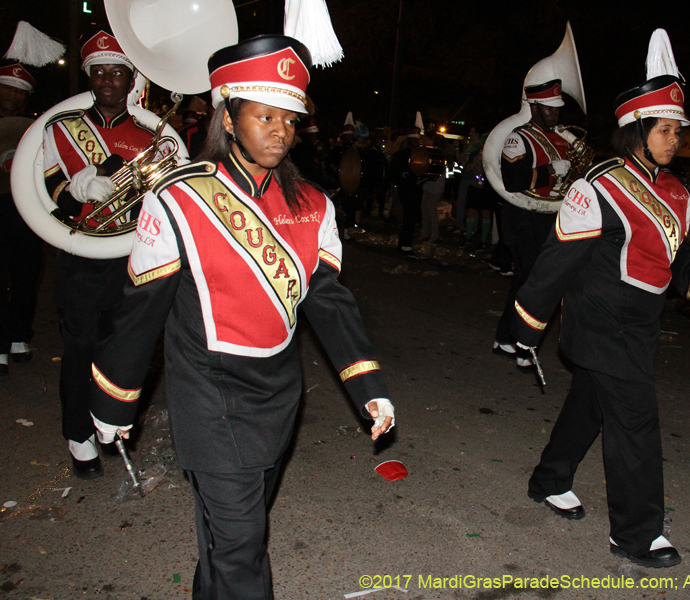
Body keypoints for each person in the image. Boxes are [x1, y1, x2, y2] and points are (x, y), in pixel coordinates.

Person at [88, 35, 395, 599]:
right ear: (229, 119)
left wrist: (368, 385)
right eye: (264, 115)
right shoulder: (178, 199)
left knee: (226, 538)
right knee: (243, 545)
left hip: (279, 394)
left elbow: (328, 301)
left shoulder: (315, 206)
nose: (280, 130)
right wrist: (112, 398)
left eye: (290, 118)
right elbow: (140, 313)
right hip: (209, 394)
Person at [512, 30, 690, 569]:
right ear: (637, 130)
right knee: (635, 420)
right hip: (600, 319)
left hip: (641, 323)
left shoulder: (677, 191)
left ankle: (548, 479)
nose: (675, 140)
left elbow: (678, 255)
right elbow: (557, 261)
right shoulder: (599, 185)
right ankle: (635, 533)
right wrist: (524, 325)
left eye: (678, 131)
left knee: (590, 405)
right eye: (666, 130)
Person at [42, 30, 155, 478]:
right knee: (81, 346)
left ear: (131, 80)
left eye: (118, 72)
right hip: (82, 256)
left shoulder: (149, 136)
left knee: (125, 349)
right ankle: (78, 433)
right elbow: (51, 202)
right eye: (100, 72)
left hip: (131, 258)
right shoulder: (59, 130)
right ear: (90, 77)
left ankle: (109, 421)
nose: (109, 80)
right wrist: (74, 190)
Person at [492, 76, 571, 370]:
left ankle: (505, 337)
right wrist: (551, 170)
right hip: (523, 217)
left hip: (550, 216)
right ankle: (525, 343)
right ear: (535, 108)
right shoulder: (518, 137)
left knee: (525, 281)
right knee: (536, 282)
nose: (556, 114)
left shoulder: (561, 138)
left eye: (558, 108)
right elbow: (513, 181)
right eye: (550, 109)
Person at [0, 61, 42, 376]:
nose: (12, 95)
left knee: (27, 273)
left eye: (19, 91)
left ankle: (18, 336)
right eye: (8, 88)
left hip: (25, 208)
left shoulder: (33, 126)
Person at [388, 127, 422, 255]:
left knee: (412, 216)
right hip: (405, 189)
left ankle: (406, 242)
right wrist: (402, 176)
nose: (416, 142)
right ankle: (404, 243)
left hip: (416, 188)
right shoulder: (400, 155)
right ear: (408, 141)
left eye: (417, 140)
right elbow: (392, 173)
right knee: (409, 214)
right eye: (414, 140)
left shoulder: (421, 155)